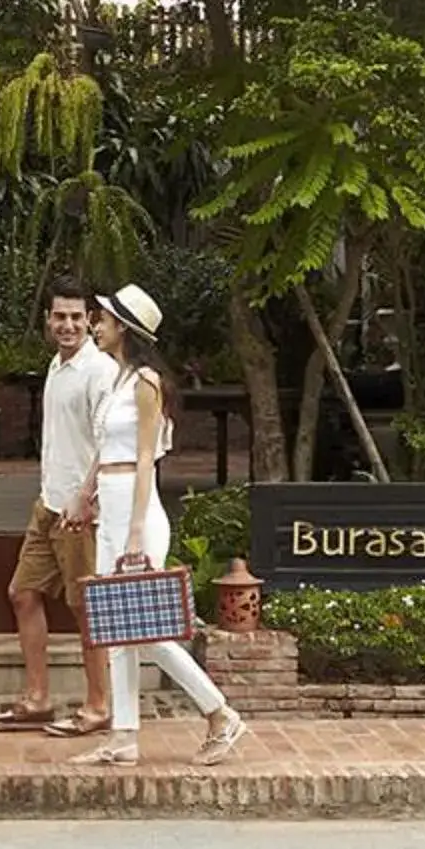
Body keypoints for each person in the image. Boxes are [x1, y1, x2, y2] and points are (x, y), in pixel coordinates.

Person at [70, 282, 248, 767]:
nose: (96, 325)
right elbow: (105, 449)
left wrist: (133, 530)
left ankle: (220, 713)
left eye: (104, 319)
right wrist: (85, 495)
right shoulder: (118, 380)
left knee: (145, 629)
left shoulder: (146, 382)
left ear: (124, 328)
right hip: (112, 505)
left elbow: (146, 456)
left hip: (137, 510)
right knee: (115, 626)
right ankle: (123, 735)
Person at [0, 277, 118, 734]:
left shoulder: (99, 371)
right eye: (60, 316)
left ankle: (98, 706)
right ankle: (38, 698)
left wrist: (86, 497)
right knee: (22, 593)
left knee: (87, 610)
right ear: (48, 320)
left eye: (76, 317)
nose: (68, 325)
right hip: (48, 505)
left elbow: (110, 442)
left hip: (81, 513)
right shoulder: (56, 366)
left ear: (90, 320)